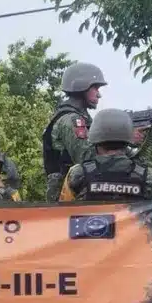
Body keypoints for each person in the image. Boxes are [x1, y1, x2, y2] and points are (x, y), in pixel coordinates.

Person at [58, 108, 152, 202]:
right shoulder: (151, 177)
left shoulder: (77, 174)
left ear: (94, 139)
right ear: (128, 139)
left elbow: (63, 212)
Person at [41, 61, 107, 202]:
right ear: (81, 87)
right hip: (68, 199)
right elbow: (88, 159)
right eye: (95, 88)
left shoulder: (80, 118)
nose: (99, 94)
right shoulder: (71, 120)